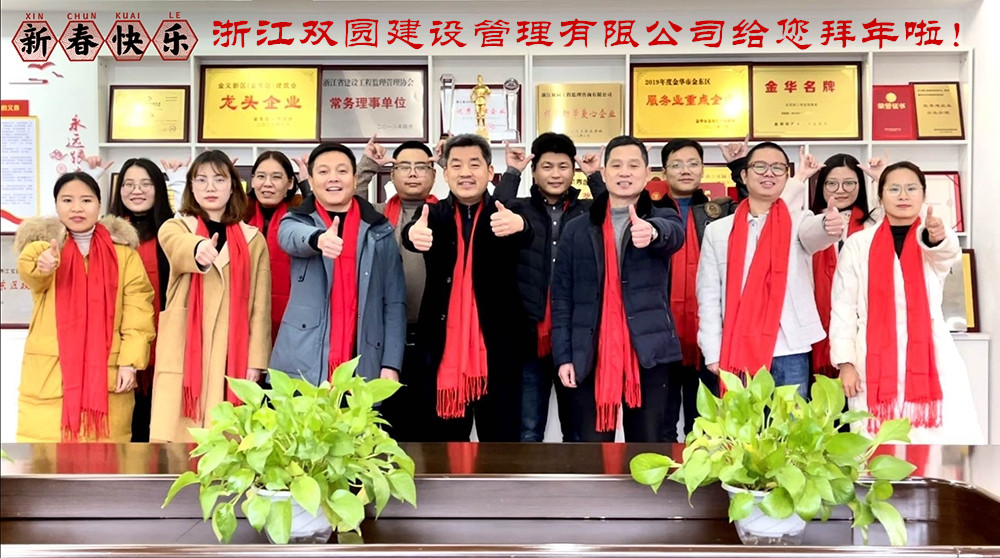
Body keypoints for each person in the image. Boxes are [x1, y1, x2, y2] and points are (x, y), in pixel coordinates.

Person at [830, 161, 983, 444]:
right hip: (871, 358)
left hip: (930, 354)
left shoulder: (930, 238)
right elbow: (843, 308)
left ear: (924, 195)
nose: (903, 195)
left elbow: (945, 253)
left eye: (911, 188)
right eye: (894, 189)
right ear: (880, 196)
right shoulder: (858, 244)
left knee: (935, 441)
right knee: (876, 442)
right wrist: (845, 363)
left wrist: (937, 237)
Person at [551, 135, 685, 442]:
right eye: (617, 165)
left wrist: (652, 232)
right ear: (604, 172)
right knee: (591, 450)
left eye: (633, 166)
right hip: (590, 352)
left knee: (648, 447)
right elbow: (562, 298)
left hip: (648, 352)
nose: (625, 172)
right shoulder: (577, 228)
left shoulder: (662, 216)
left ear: (647, 173)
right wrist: (564, 356)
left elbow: (674, 235)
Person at [402, 133, 533, 442]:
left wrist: (521, 225)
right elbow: (413, 232)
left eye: (474, 164)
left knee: (501, 444)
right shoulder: (433, 214)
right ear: (445, 173)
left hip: (498, 350)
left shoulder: (507, 211)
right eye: (456, 165)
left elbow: (526, 231)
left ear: (490, 171)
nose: (465, 173)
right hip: (442, 347)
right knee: (442, 446)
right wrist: (412, 235)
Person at [14, 172, 155, 442]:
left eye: (86, 200)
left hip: (107, 373)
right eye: (67, 200)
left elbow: (138, 313)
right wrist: (43, 266)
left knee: (105, 460)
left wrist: (130, 362)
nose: (77, 208)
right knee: (47, 460)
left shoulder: (124, 254)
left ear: (99, 205)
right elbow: (32, 273)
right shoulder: (42, 249)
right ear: (56, 204)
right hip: (51, 378)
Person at [696, 142, 842, 399]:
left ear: (786, 176)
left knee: (792, 422)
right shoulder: (718, 231)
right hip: (737, 347)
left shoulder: (798, 220)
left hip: (789, 349)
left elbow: (815, 234)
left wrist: (828, 226)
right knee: (743, 424)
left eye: (777, 168)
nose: (769, 173)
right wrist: (712, 350)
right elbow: (708, 296)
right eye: (760, 166)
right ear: (744, 175)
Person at [149, 150, 272, 442]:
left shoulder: (253, 239)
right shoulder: (177, 227)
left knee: (227, 442)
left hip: (233, 351)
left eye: (219, 179)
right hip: (185, 348)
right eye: (201, 180)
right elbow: (177, 244)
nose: (210, 187)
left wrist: (256, 360)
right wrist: (198, 248)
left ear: (233, 186)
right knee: (178, 443)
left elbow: (260, 307)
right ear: (191, 187)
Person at [494, 133, 605, 442]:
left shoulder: (587, 212)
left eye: (563, 166)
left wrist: (595, 177)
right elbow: (493, 214)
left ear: (573, 170)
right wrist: (512, 173)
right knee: (528, 429)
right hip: (530, 335)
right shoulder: (519, 209)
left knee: (579, 430)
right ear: (534, 171)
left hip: (576, 335)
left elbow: (613, 213)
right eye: (547, 166)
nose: (555, 174)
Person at [270, 142, 406, 391]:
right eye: (323, 171)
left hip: (364, 363)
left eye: (342, 171)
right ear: (311, 181)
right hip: (303, 365)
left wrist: (391, 363)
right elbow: (290, 237)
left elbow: (394, 302)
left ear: (354, 179)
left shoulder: (380, 230)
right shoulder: (296, 220)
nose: (333, 178)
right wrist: (318, 239)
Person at [353, 138, 442, 441]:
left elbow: (477, 198)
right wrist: (368, 166)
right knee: (389, 427)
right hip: (384, 338)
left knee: (435, 428)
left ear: (434, 175)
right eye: (404, 167)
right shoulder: (377, 216)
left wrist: (449, 161)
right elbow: (348, 201)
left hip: (433, 337)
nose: (413, 173)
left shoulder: (446, 214)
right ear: (392, 175)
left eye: (422, 167)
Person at [658, 139, 734, 441]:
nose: (685, 170)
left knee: (705, 422)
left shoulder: (722, 211)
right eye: (676, 165)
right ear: (664, 171)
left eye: (693, 163)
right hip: (663, 331)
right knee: (662, 420)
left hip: (710, 331)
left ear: (703, 169)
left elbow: (758, 204)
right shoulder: (649, 210)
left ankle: (702, 468)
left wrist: (738, 166)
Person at [107, 158, 175, 442]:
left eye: (146, 184)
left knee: (161, 425)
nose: (137, 190)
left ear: (158, 188)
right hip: (118, 347)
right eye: (129, 184)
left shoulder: (174, 232)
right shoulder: (105, 236)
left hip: (167, 344)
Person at [806, 152, 886, 378]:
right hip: (814, 325)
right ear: (821, 186)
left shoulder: (874, 224)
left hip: (862, 324)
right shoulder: (808, 224)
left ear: (861, 185)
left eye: (849, 183)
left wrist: (881, 178)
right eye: (831, 183)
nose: (840, 190)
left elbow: (905, 215)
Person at [243, 151, 304, 343]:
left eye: (276, 177)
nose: (267, 183)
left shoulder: (301, 215)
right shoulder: (238, 216)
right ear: (252, 181)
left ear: (290, 183)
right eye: (261, 176)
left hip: (293, 321)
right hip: (243, 318)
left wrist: (307, 185)